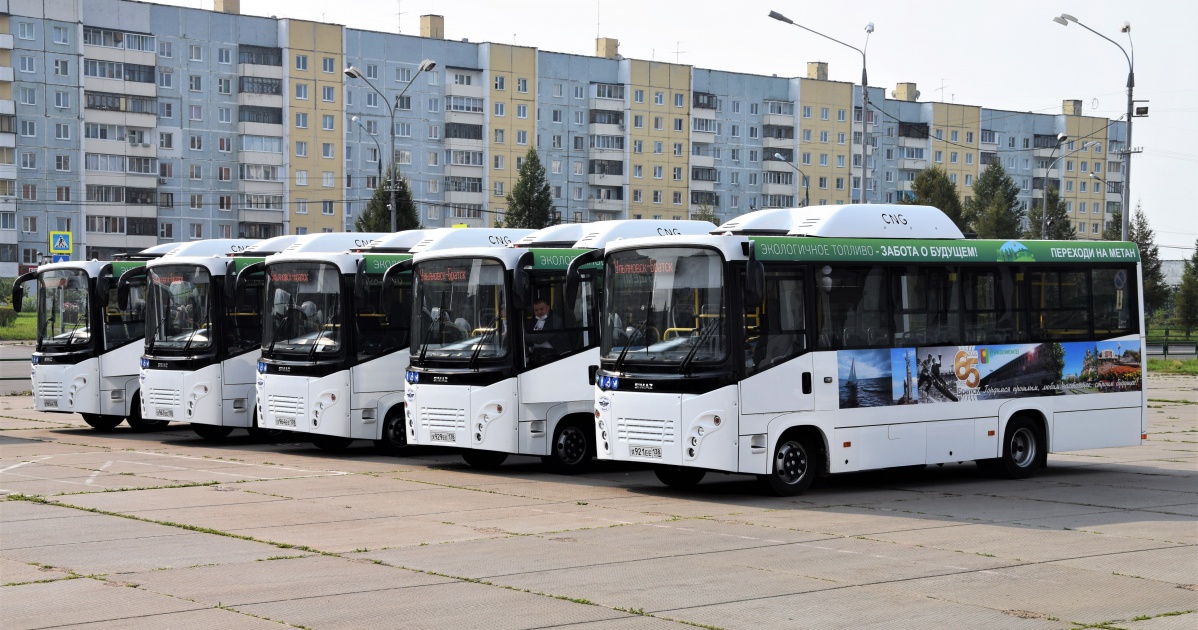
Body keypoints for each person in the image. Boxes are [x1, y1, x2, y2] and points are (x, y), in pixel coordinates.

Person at [526, 298, 565, 363]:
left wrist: (522, 336)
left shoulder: (555, 320)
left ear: (548, 308)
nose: (539, 312)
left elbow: (540, 339)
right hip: (537, 352)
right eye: (536, 310)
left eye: (541, 309)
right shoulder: (534, 320)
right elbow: (529, 334)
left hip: (554, 353)